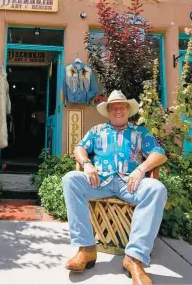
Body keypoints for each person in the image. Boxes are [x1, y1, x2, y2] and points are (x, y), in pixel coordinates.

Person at [62, 90, 168, 285]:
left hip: (130, 184)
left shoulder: (140, 132)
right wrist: (86, 163)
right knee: (70, 179)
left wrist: (141, 170)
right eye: (114, 108)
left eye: (121, 107)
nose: (118, 111)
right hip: (100, 182)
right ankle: (86, 249)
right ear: (108, 111)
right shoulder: (97, 131)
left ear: (128, 110)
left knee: (157, 189)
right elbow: (79, 147)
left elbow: (159, 154)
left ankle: (134, 258)